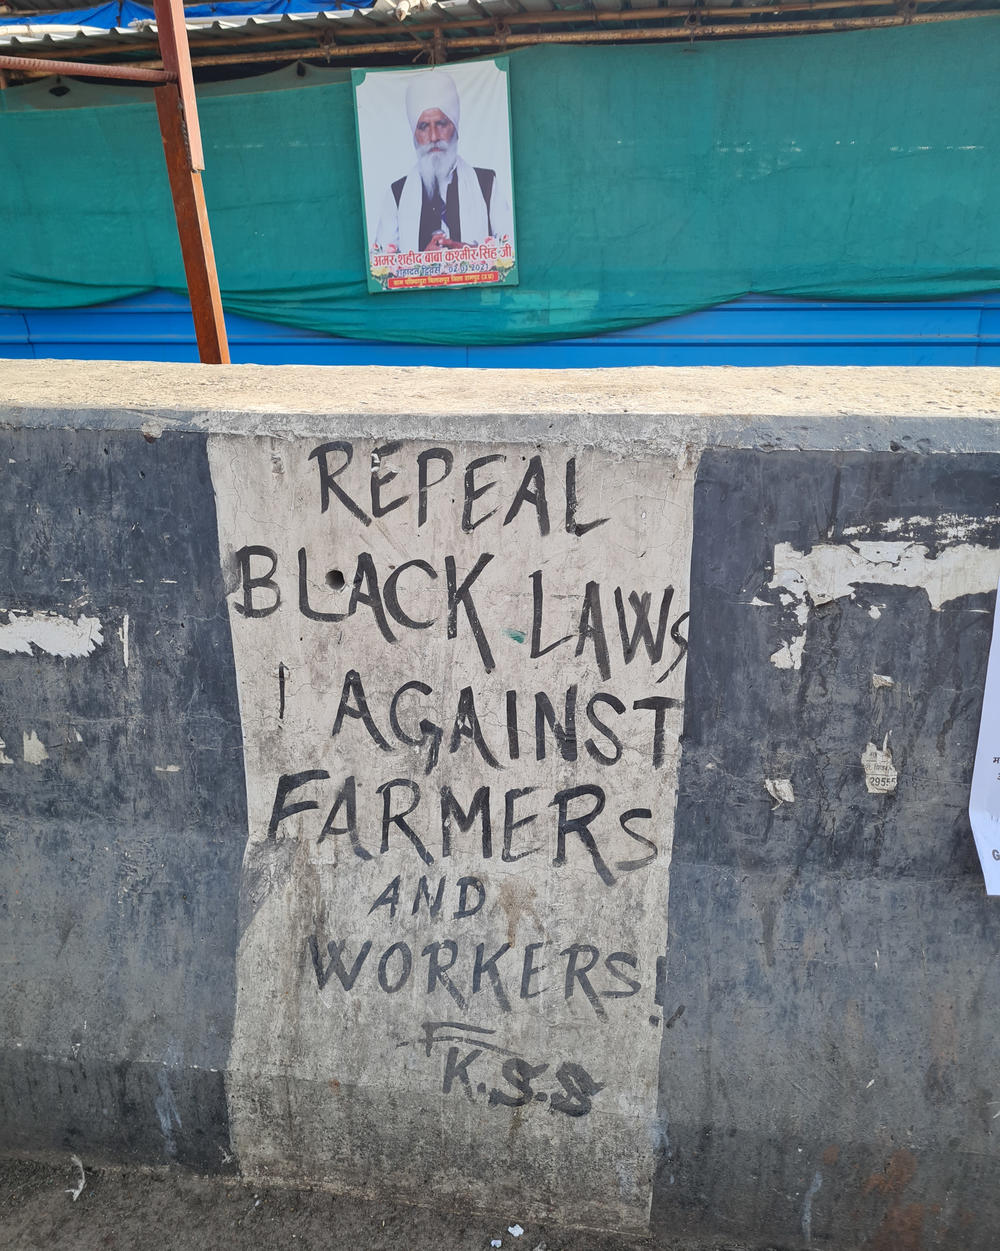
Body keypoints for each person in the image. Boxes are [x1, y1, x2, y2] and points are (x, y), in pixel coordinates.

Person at [373, 69, 513, 254]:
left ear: (455, 127)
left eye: (441, 124)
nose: (433, 137)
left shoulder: (486, 183)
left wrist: (470, 253)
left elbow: (508, 248)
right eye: (423, 126)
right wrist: (423, 261)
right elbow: (381, 265)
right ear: (414, 136)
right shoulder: (397, 194)